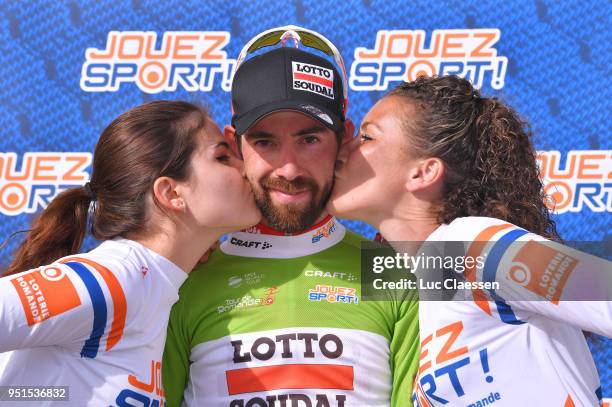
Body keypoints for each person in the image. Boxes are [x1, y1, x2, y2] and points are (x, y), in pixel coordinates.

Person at [162, 26, 420, 407]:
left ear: (344, 139)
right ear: (235, 145)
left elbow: (526, 277)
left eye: (309, 139)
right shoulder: (180, 280)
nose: (288, 169)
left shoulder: (389, 269)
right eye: (265, 141)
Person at [328, 75, 612, 406]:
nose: (343, 149)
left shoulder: (470, 245)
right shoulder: (416, 273)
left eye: (366, 137)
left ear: (423, 172)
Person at [0, 100, 260, 406]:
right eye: (222, 156)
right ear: (172, 193)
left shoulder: (154, 288)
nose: (245, 168)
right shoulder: (113, 278)